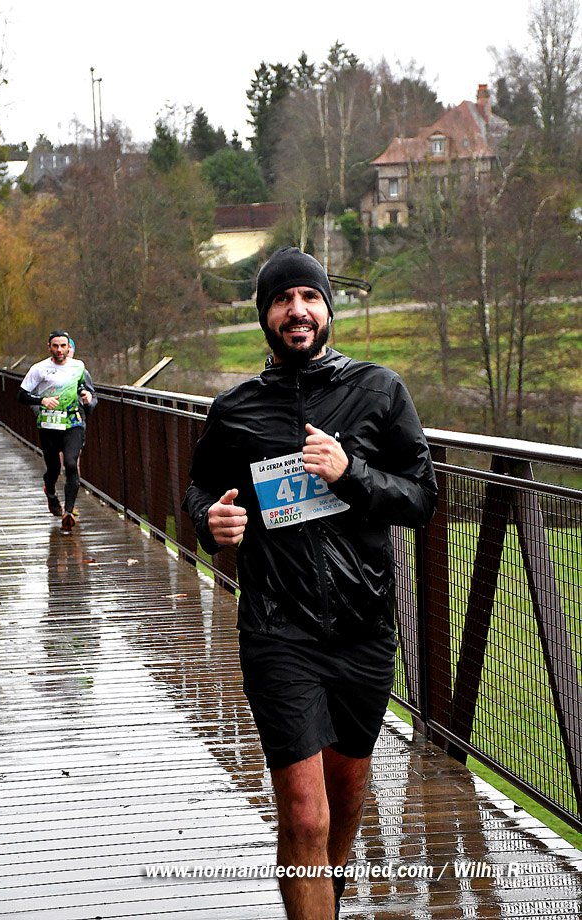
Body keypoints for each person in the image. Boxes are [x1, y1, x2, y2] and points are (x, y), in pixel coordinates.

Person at [184, 247, 438, 920]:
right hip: (277, 630)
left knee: (345, 797)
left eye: (309, 297)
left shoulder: (379, 390)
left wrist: (351, 473)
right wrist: (211, 521)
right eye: (281, 299)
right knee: (303, 814)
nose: (296, 310)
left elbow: (421, 498)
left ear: (327, 308)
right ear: (265, 316)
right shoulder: (235, 409)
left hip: (362, 631)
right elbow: (200, 490)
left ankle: (328, 898)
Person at [18, 330, 97, 532]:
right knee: (53, 468)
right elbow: (22, 395)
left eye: (63, 346)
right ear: (49, 347)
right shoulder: (39, 369)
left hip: (73, 423)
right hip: (49, 425)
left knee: (71, 464)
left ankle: (68, 513)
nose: (60, 350)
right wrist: (42, 401)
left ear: (69, 347)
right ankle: (51, 493)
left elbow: (82, 387)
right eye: (56, 346)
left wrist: (86, 397)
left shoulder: (78, 366)